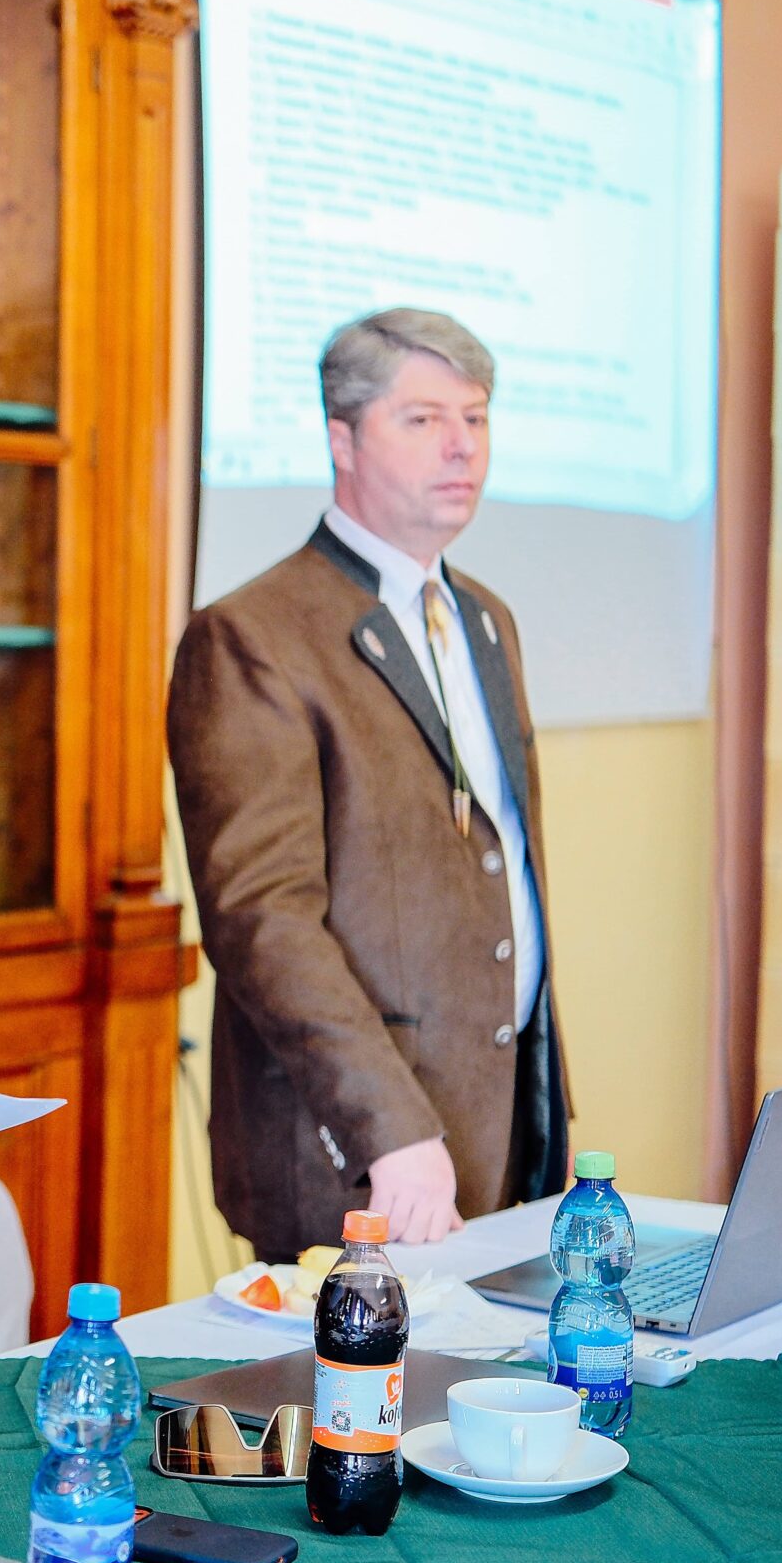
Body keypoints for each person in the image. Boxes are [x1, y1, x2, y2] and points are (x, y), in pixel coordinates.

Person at [167, 308, 567, 1264]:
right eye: (423, 419)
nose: (462, 446)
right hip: (356, 1145)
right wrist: (391, 1124)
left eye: (476, 418)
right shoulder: (253, 636)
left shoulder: (485, 619)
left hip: (502, 1119)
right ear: (341, 440)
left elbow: (493, 861)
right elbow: (263, 919)